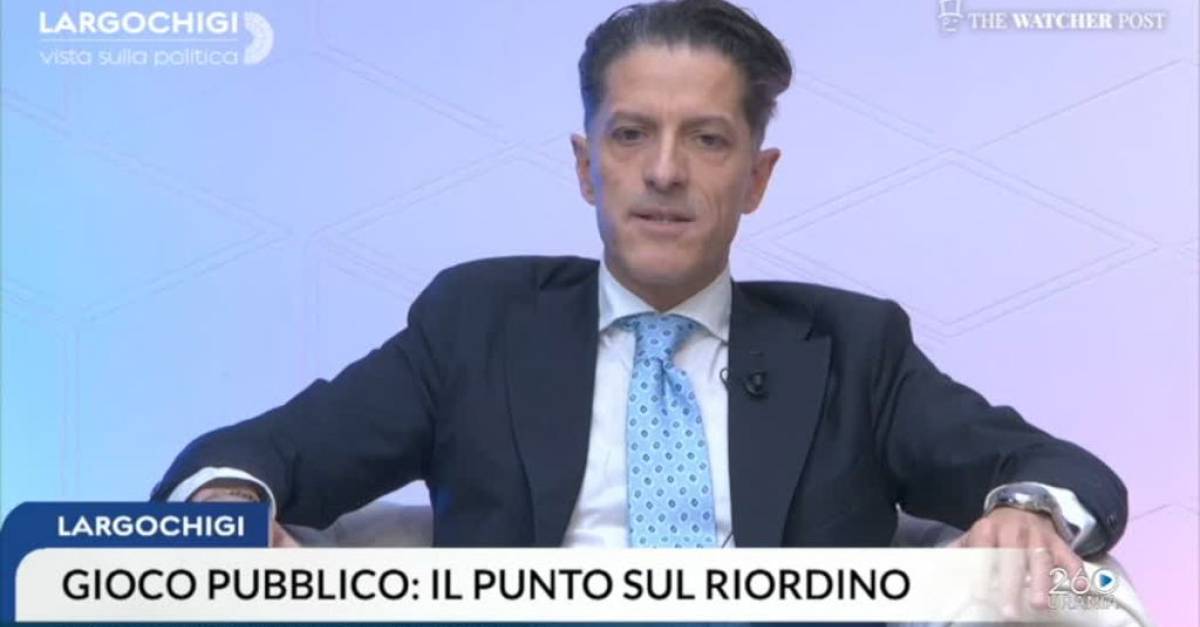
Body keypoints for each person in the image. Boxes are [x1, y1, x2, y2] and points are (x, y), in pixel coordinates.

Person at [152, 0, 1126, 613]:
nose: (663, 171)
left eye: (706, 139)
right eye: (630, 135)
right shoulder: (478, 324)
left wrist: (1025, 511)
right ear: (587, 167)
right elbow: (259, 452)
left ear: (756, 178)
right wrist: (228, 501)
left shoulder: (851, 345)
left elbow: (1061, 471)